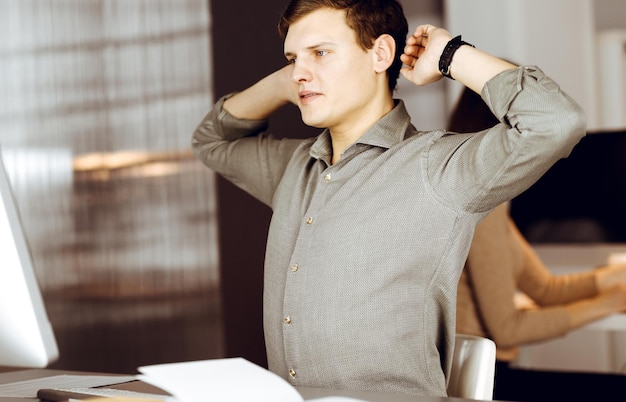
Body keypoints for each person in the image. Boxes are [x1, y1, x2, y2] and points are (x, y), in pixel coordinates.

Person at [191, 0, 586, 396]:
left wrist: (450, 54)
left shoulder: (437, 167)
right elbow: (211, 140)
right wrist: (288, 81)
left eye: (321, 52)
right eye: (293, 58)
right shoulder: (292, 168)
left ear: (380, 53)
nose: (300, 72)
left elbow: (554, 121)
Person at [451, 89, 626, 401]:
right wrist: (607, 304)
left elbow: (545, 289)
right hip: (480, 383)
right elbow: (507, 329)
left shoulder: (490, 200)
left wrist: (610, 280)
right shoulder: (482, 208)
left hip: (489, 373)